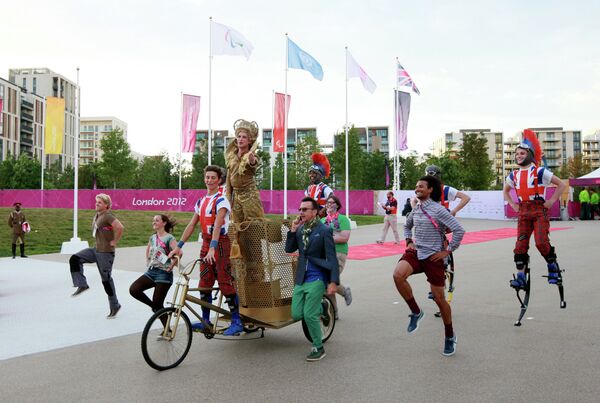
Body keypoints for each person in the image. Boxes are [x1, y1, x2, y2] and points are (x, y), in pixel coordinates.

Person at [393, 176, 465, 357]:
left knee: (440, 300)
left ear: (430, 189)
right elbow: (407, 226)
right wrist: (409, 241)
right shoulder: (416, 209)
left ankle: (449, 336)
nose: (417, 188)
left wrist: (447, 251)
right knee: (397, 275)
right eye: (416, 186)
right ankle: (416, 312)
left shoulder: (439, 210)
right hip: (416, 252)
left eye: (421, 186)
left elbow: (459, 230)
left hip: (434, 256)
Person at [170, 165, 243, 336]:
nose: (209, 180)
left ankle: (237, 321)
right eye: (207, 177)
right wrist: (178, 246)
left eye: (213, 178)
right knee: (204, 283)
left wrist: (212, 248)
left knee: (225, 282)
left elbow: (217, 225)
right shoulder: (201, 201)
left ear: (219, 180)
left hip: (220, 244)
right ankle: (205, 320)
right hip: (206, 244)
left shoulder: (222, 200)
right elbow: (192, 224)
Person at [503, 129, 567, 289]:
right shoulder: (513, 175)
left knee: (541, 242)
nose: (518, 156)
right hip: (523, 211)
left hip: (539, 210)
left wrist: (551, 201)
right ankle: (521, 276)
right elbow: (505, 191)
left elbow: (561, 184)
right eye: (517, 154)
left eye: (522, 153)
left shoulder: (540, 171)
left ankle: (553, 268)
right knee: (520, 246)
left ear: (530, 154)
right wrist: (512, 204)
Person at [285, 197, 339, 361]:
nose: (301, 212)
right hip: (302, 277)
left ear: (314, 212)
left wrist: (333, 281)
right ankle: (322, 307)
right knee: (296, 314)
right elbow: (289, 249)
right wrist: (293, 230)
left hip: (317, 277)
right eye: (300, 209)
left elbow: (332, 258)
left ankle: (318, 347)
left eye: (305, 209)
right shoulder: (301, 230)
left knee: (309, 315)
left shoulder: (324, 230)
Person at [69, 194, 124, 318]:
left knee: (106, 280)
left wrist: (115, 241)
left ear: (106, 205)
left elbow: (119, 227)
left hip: (105, 252)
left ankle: (115, 305)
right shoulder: (97, 216)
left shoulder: (108, 216)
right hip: (96, 249)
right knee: (75, 258)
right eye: (96, 202)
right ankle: (82, 284)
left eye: (100, 202)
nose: (97, 204)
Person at [129, 214, 178, 315]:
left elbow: (179, 254)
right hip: (151, 272)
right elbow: (149, 249)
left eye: (157, 220)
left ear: (164, 223)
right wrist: (148, 260)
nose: (154, 222)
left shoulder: (169, 238)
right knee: (134, 289)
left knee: (158, 305)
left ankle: (166, 328)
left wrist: (171, 266)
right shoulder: (152, 237)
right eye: (153, 220)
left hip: (164, 274)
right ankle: (155, 307)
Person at [225, 119, 264, 222]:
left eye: (244, 137)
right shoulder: (231, 157)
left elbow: (253, 164)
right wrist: (228, 197)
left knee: (255, 224)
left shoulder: (251, 156)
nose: (240, 139)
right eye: (239, 136)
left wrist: (252, 160)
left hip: (250, 195)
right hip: (236, 196)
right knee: (237, 225)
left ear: (249, 140)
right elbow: (229, 178)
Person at [321, 194, 352, 319]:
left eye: (332, 202)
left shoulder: (343, 219)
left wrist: (328, 239)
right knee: (326, 284)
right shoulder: (323, 221)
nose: (329, 204)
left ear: (337, 205)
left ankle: (344, 291)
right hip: (324, 254)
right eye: (327, 202)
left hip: (338, 253)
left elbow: (344, 238)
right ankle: (334, 312)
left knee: (329, 280)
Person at [305, 152, 334, 217]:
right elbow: (306, 203)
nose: (311, 175)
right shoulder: (308, 189)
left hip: (324, 220)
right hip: (311, 218)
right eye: (310, 173)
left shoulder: (325, 188)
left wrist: (323, 211)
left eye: (314, 173)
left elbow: (332, 202)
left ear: (320, 175)